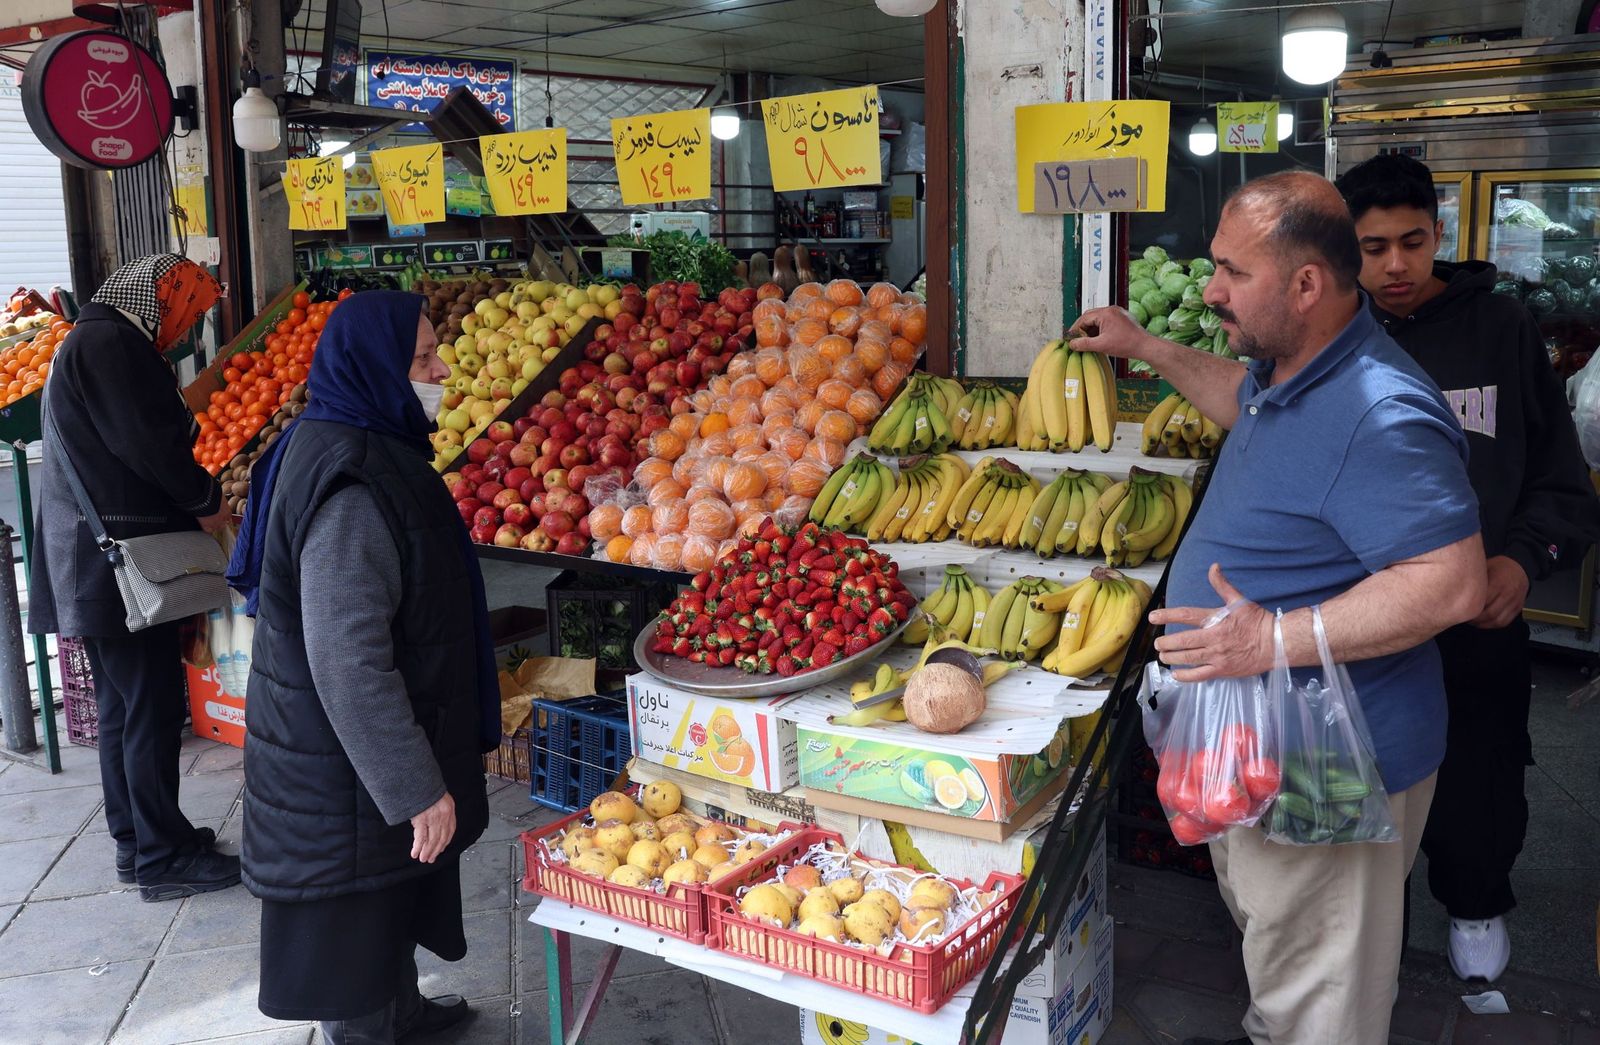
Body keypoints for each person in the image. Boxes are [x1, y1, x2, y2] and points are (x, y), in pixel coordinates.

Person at [1070, 171, 1488, 1045]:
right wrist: (1147, 348)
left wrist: (1274, 638)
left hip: (1333, 747)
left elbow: (1452, 581)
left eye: (1232, 271)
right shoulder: (1292, 366)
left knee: (1322, 975)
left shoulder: (1381, 411)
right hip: (1259, 728)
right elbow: (1245, 404)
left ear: (1306, 285)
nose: (1213, 289)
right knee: (1276, 925)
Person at [1335, 153, 1600, 982]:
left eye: (1411, 241)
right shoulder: (1330, 336)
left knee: (1479, 782)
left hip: (1477, 617)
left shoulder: (1503, 329)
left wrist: (1522, 563)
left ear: (1438, 231)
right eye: (1372, 248)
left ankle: (1477, 912)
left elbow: (1560, 478)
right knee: (1359, 795)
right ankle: (1368, 956)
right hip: (1360, 624)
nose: (1395, 266)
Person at [229, 289, 497, 1045]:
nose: (442, 368)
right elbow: (348, 657)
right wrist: (415, 787)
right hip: (343, 768)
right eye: (422, 358)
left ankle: (400, 1013)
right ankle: (371, 1029)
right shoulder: (351, 481)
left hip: (343, 763)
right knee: (355, 926)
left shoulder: (357, 440)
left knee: (386, 902)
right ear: (375, 365)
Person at [29, 253, 239, 902]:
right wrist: (207, 501)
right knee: (148, 708)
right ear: (162, 296)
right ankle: (162, 856)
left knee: (126, 708)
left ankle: (139, 841)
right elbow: (150, 445)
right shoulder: (113, 344)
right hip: (116, 564)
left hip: (93, 564)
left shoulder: (94, 340)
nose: (188, 325)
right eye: (190, 308)